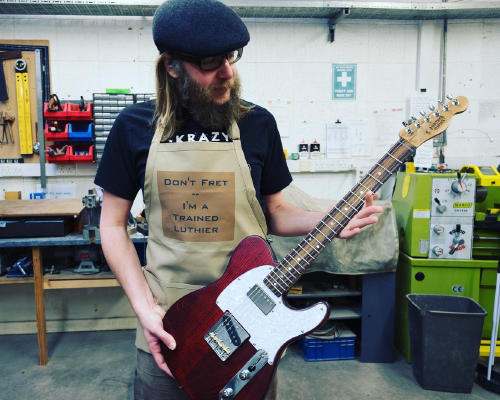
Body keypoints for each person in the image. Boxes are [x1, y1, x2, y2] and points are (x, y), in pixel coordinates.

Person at [95, 0, 383, 398]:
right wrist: (144, 308)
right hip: (168, 323)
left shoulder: (257, 123)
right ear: (172, 66)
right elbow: (111, 225)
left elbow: (276, 213)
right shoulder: (133, 127)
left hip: (251, 324)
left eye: (231, 57)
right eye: (210, 62)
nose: (227, 72)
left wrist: (328, 218)